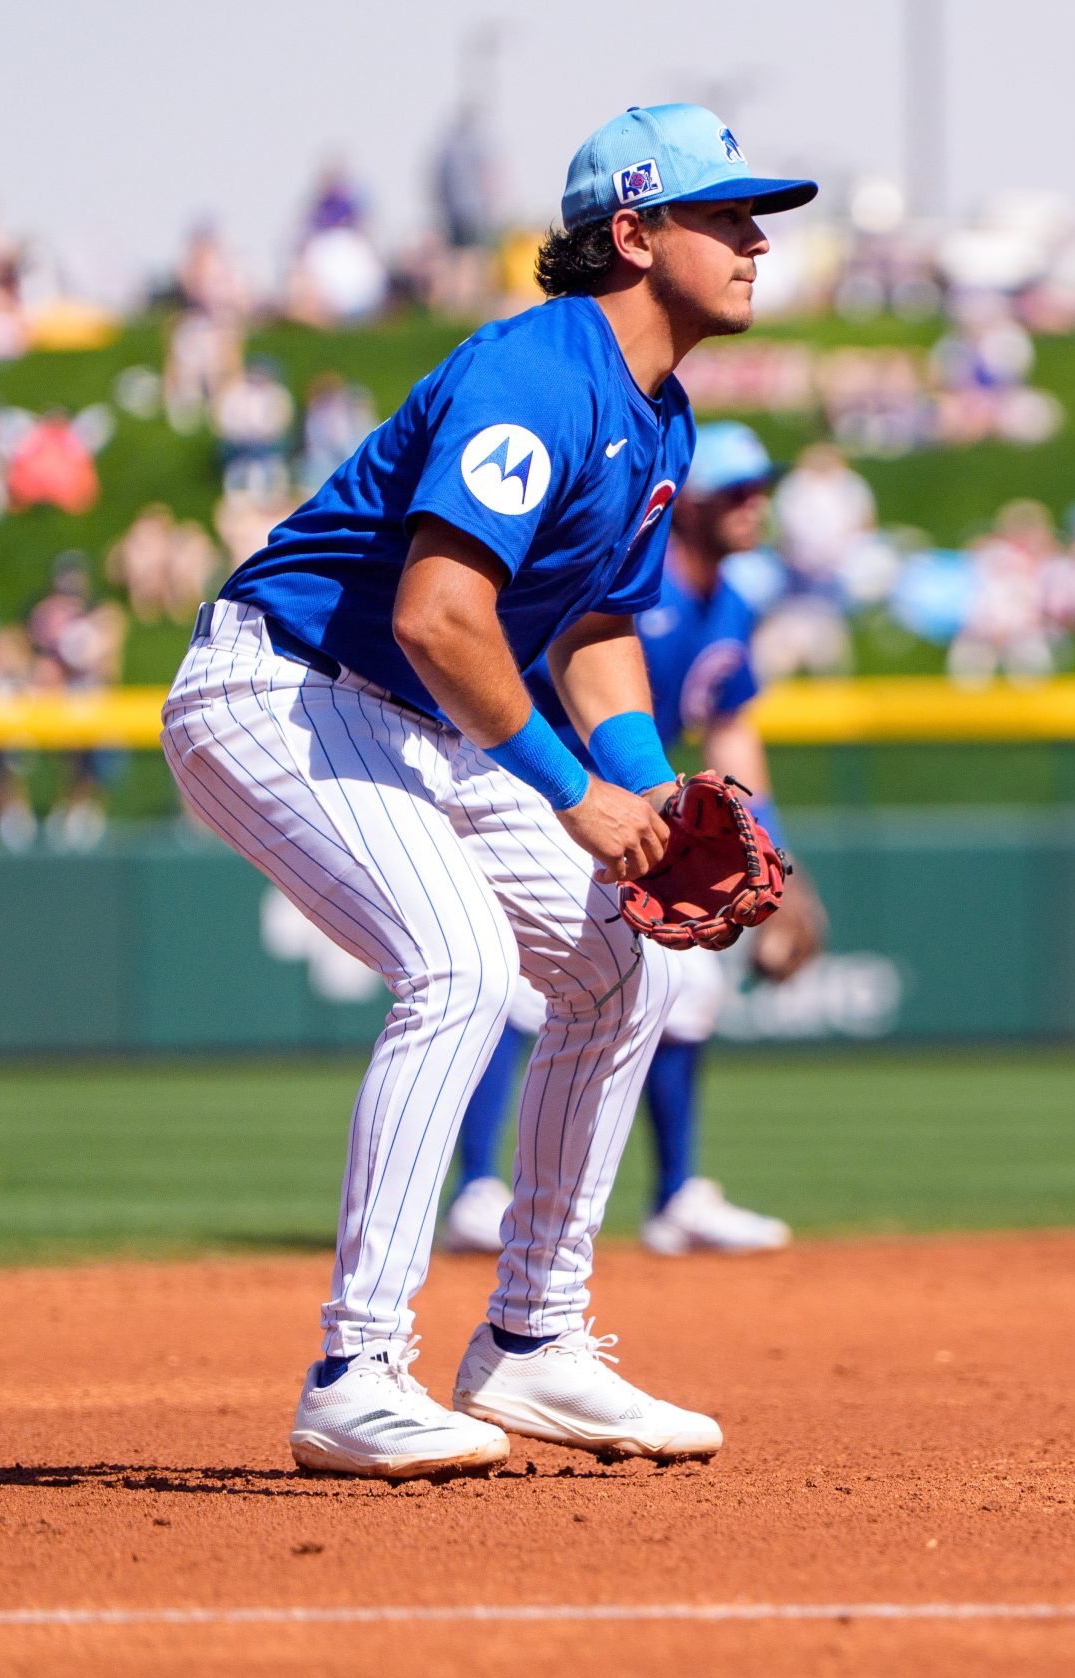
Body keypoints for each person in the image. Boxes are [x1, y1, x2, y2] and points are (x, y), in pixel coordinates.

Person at [159, 104, 817, 1481]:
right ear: (634, 236)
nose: (758, 238)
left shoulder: (661, 413)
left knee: (619, 966)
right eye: (725, 215)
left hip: (422, 719)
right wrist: (578, 793)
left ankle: (533, 1335)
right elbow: (441, 615)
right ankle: (356, 1369)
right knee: (457, 962)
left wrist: (651, 792)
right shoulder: (540, 374)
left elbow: (593, 627)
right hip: (283, 688)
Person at [441, 420, 822, 1260]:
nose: (754, 504)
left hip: (617, 819)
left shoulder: (730, 606)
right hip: (526, 789)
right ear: (682, 504)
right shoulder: (619, 579)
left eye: (762, 488)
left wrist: (784, 870)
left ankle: (676, 1195)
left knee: (687, 986)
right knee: (502, 983)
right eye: (735, 490)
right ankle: (476, 1191)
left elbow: (732, 739)